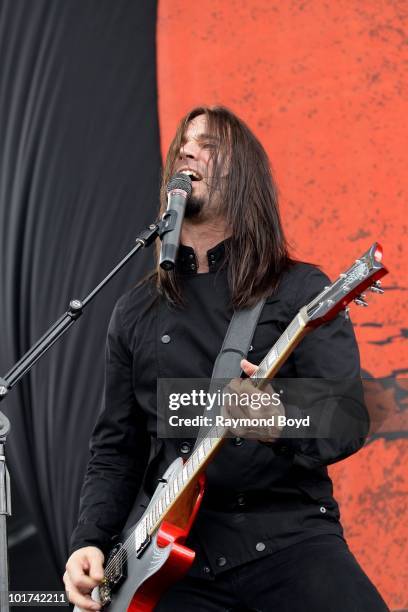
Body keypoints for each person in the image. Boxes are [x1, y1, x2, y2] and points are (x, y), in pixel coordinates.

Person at [64, 106, 388, 611]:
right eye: (184, 144)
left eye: (210, 145)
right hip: (175, 562)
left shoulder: (298, 290)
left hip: (288, 540)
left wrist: (280, 416)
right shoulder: (136, 311)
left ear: (244, 180)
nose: (188, 151)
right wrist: (88, 539)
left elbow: (349, 417)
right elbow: (116, 449)